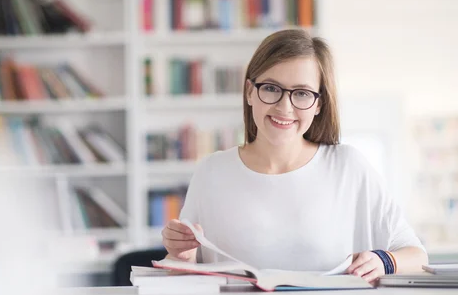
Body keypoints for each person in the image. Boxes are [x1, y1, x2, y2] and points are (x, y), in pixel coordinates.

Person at [161, 29, 428, 282]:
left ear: (318, 104)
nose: (284, 107)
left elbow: (417, 256)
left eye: (301, 93)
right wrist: (180, 256)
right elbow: (181, 278)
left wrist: (385, 261)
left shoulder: (349, 167)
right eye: (271, 88)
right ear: (249, 92)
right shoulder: (211, 172)